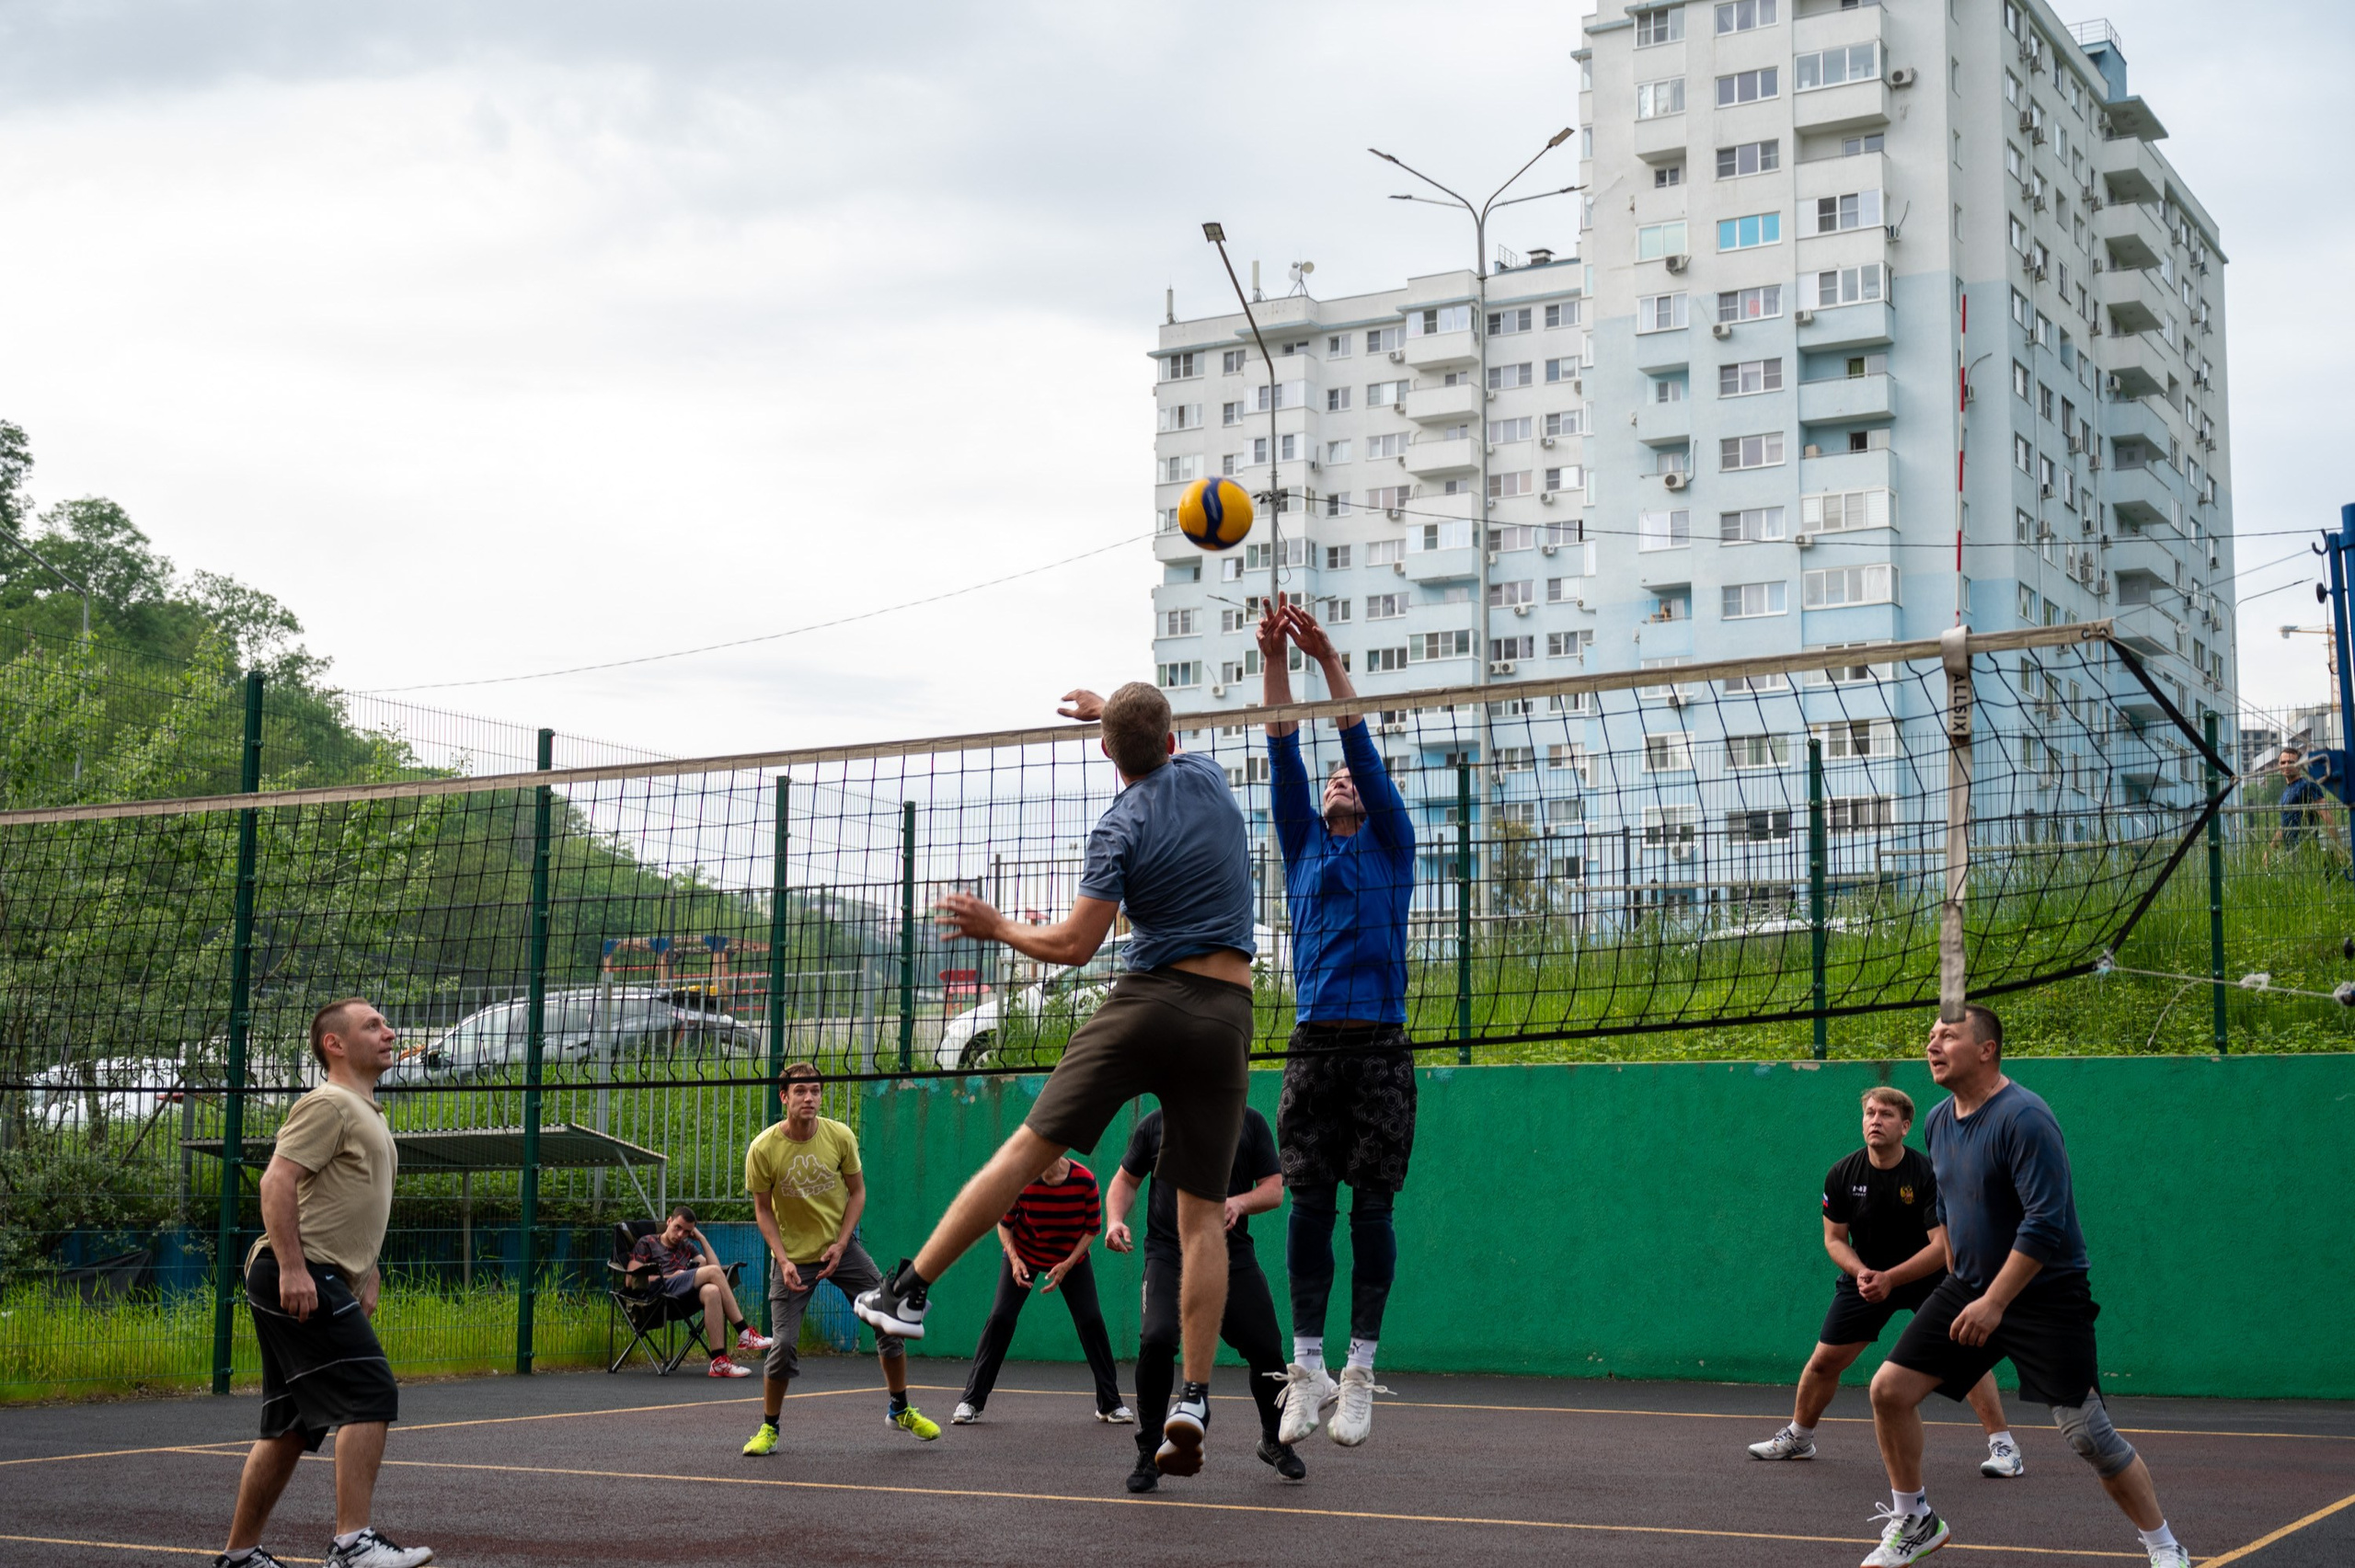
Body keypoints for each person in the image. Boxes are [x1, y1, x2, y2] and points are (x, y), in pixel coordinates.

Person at [857, 679, 1257, 1480]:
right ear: (1173, 737)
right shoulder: (1210, 778)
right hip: (1228, 1011)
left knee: (1028, 1147)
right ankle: (1194, 1396)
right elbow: (1150, 730)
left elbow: (1076, 945)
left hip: (1148, 1001)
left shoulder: (1120, 824)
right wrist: (1114, 709)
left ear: (1106, 751)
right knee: (1203, 1217)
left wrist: (998, 923)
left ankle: (909, 1288)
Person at [1859, 1005, 2191, 1568]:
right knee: (1888, 1391)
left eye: (1949, 1036)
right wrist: (1932, 1281)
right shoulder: (1939, 1120)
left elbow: (2046, 1223)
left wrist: (1995, 1301)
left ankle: (2165, 1546)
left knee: (2088, 1434)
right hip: (1969, 1286)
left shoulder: (2025, 1118)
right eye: (1930, 1037)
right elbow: (1946, 1212)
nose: (1933, 1046)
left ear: (1987, 1049)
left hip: (2044, 1295)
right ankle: (1916, 1520)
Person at [1258, 606, 1417, 1448]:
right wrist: (1276, 658)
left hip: (1383, 1047)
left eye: (1350, 779)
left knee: (1373, 1213)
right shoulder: (1302, 846)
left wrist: (1329, 659)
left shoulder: (1393, 844)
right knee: (1308, 1207)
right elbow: (1284, 745)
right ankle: (1309, 1366)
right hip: (1315, 1044)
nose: (1341, 780)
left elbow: (1356, 744)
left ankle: (1358, 1370)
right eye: (1333, 782)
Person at [216, 999, 431, 1568]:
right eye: (373, 1026)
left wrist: (368, 1270)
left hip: (323, 1271)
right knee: (370, 1393)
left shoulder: (367, 1112)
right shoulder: (329, 1103)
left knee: (289, 1426)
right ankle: (352, 1542)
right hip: (299, 1270)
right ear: (334, 1044)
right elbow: (276, 1182)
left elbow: (349, 1201)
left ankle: (240, 1556)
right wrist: (293, 1267)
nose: (389, 1032)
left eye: (387, 1023)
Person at [1746, 1087, 2019, 1477]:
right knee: (1824, 1362)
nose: (1875, 1120)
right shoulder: (1841, 1174)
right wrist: (1863, 1274)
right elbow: (1834, 1239)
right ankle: (1799, 1438)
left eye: (1886, 1115)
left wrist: (1891, 1278)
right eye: (1870, 1113)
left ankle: (2004, 1448)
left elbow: (1941, 1247)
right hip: (1867, 1277)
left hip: (1927, 1277)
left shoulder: (1928, 1174)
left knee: (1966, 1352)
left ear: (1906, 1126)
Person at [741, 1062, 940, 1457]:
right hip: (793, 1258)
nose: (809, 1098)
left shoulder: (839, 1136)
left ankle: (900, 1409)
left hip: (841, 1248)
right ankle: (769, 1428)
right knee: (782, 1345)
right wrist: (781, 1260)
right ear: (784, 1097)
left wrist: (841, 1242)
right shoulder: (763, 1148)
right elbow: (763, 1210)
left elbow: (858, 1193)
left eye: (815, 1090)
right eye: (800, 1092)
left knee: (891, 1319)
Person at [1106, 1104, 1299, 1494]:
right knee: (1157, 1339)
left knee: (1266, 1348)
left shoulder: (1250, 1122)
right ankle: (1149, 1452)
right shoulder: (1156, 1124)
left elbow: (1274, 1189)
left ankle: (1275, 1439)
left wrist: (1240, 1203)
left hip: (1231, 1256)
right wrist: (1113, 1220)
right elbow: (1124, 1182)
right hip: (1168, 1255)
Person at [949, 1153, 1132, 1425]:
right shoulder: (1022, 1179)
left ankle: (1110, 1404)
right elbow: (1004, 1226)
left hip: (1071, 1258)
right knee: (1000, 1318)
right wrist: (1014, 1259)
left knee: (1091, 1320)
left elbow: (1092, 1229)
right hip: (1023, 1254)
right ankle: (971, 1401)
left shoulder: (1084, 1180)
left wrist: (1068, 1265)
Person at [629, 1206, 775, 1379]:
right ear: (669, 1221)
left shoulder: (687, 1247)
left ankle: (719, 1361)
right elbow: (631, 1280)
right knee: (712, 1273)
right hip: (657, 1296)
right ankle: (744, 1332)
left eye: (686, 1232)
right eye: (677, 1227)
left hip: (680, 1300)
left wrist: (702, 1239)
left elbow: (715, 1268)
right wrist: (669, 1277)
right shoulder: (647, 1242)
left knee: (712, 1290)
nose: (680, 1235)